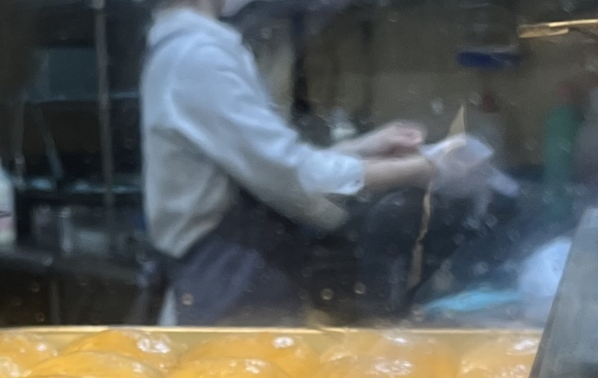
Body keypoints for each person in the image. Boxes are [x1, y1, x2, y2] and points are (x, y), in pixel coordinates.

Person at [141, 0, 435, 325]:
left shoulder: (186, 49)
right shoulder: (197, 57)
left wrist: (362, 148)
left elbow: (271, 164)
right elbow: (287, 174)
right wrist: (424, 168)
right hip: (224, 285)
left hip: (235, 281)